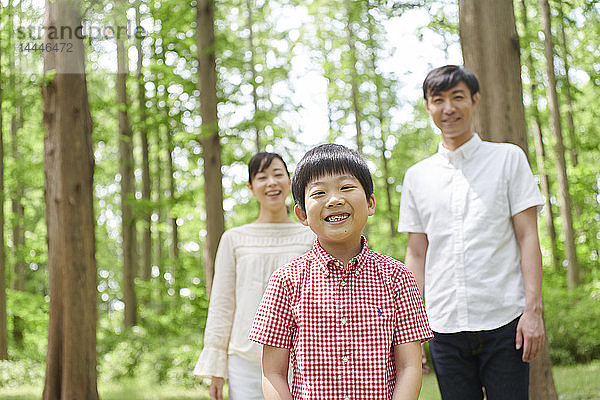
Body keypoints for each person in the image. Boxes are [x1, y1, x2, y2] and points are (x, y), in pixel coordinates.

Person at [398, 65, 545, 400]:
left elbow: (528, 237)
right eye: (439, 100)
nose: (449, 108)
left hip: (505, 319)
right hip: (443, 325)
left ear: (475, 100)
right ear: (428, 106)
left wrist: (533, 310)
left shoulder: (508, 159)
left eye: (458, 97)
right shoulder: (417, 177)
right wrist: (411, 329)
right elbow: (416, 252)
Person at [249, 144, 433, 400]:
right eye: (319, 192)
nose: (334, 200)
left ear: (370, 203)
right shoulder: (286, 281)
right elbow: (273, 373)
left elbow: (409, 366)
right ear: (302, 214)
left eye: (346, 188)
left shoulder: (397, 277)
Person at [194, 152, 315, 400]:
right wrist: (217, 368)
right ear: (251, 187)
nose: (271, 182)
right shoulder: (234, 239)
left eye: (278, 174)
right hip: (244, 360)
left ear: (290, 181)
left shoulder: (311, 236)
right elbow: (222, 304)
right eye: (262, 177)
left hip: (301, 357)